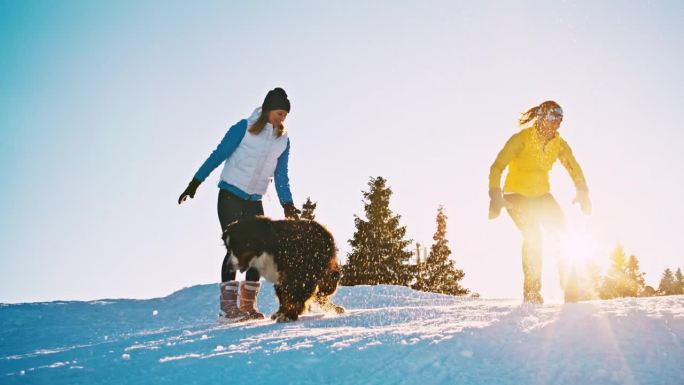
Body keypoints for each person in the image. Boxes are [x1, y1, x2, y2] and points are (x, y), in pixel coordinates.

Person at [178, 87, 301, 322]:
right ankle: (227, 310)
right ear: (267, 109)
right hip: (230, 196)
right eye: (278, 113)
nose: (282, 118)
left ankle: (247, 307)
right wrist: (195, 182)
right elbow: (218, 155)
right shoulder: (243, 128)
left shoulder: (282, 141)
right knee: (236, 249)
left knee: (260, 252)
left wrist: (288, 204)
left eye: (285, 114)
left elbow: (281, 175)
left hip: (254, 200)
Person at [488, 100, 591, 304]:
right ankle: (532, 292)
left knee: (564, 234)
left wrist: (582, 190)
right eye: (553, 118)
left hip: (541, 195)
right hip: (514, 195)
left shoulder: (559, 144)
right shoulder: (522, 139)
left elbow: (573, 167)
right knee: (533, 235)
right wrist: (495, 193)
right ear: (542, 117)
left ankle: (571, 290)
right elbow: (497, 166)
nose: (557, 124)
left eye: (560, 119)